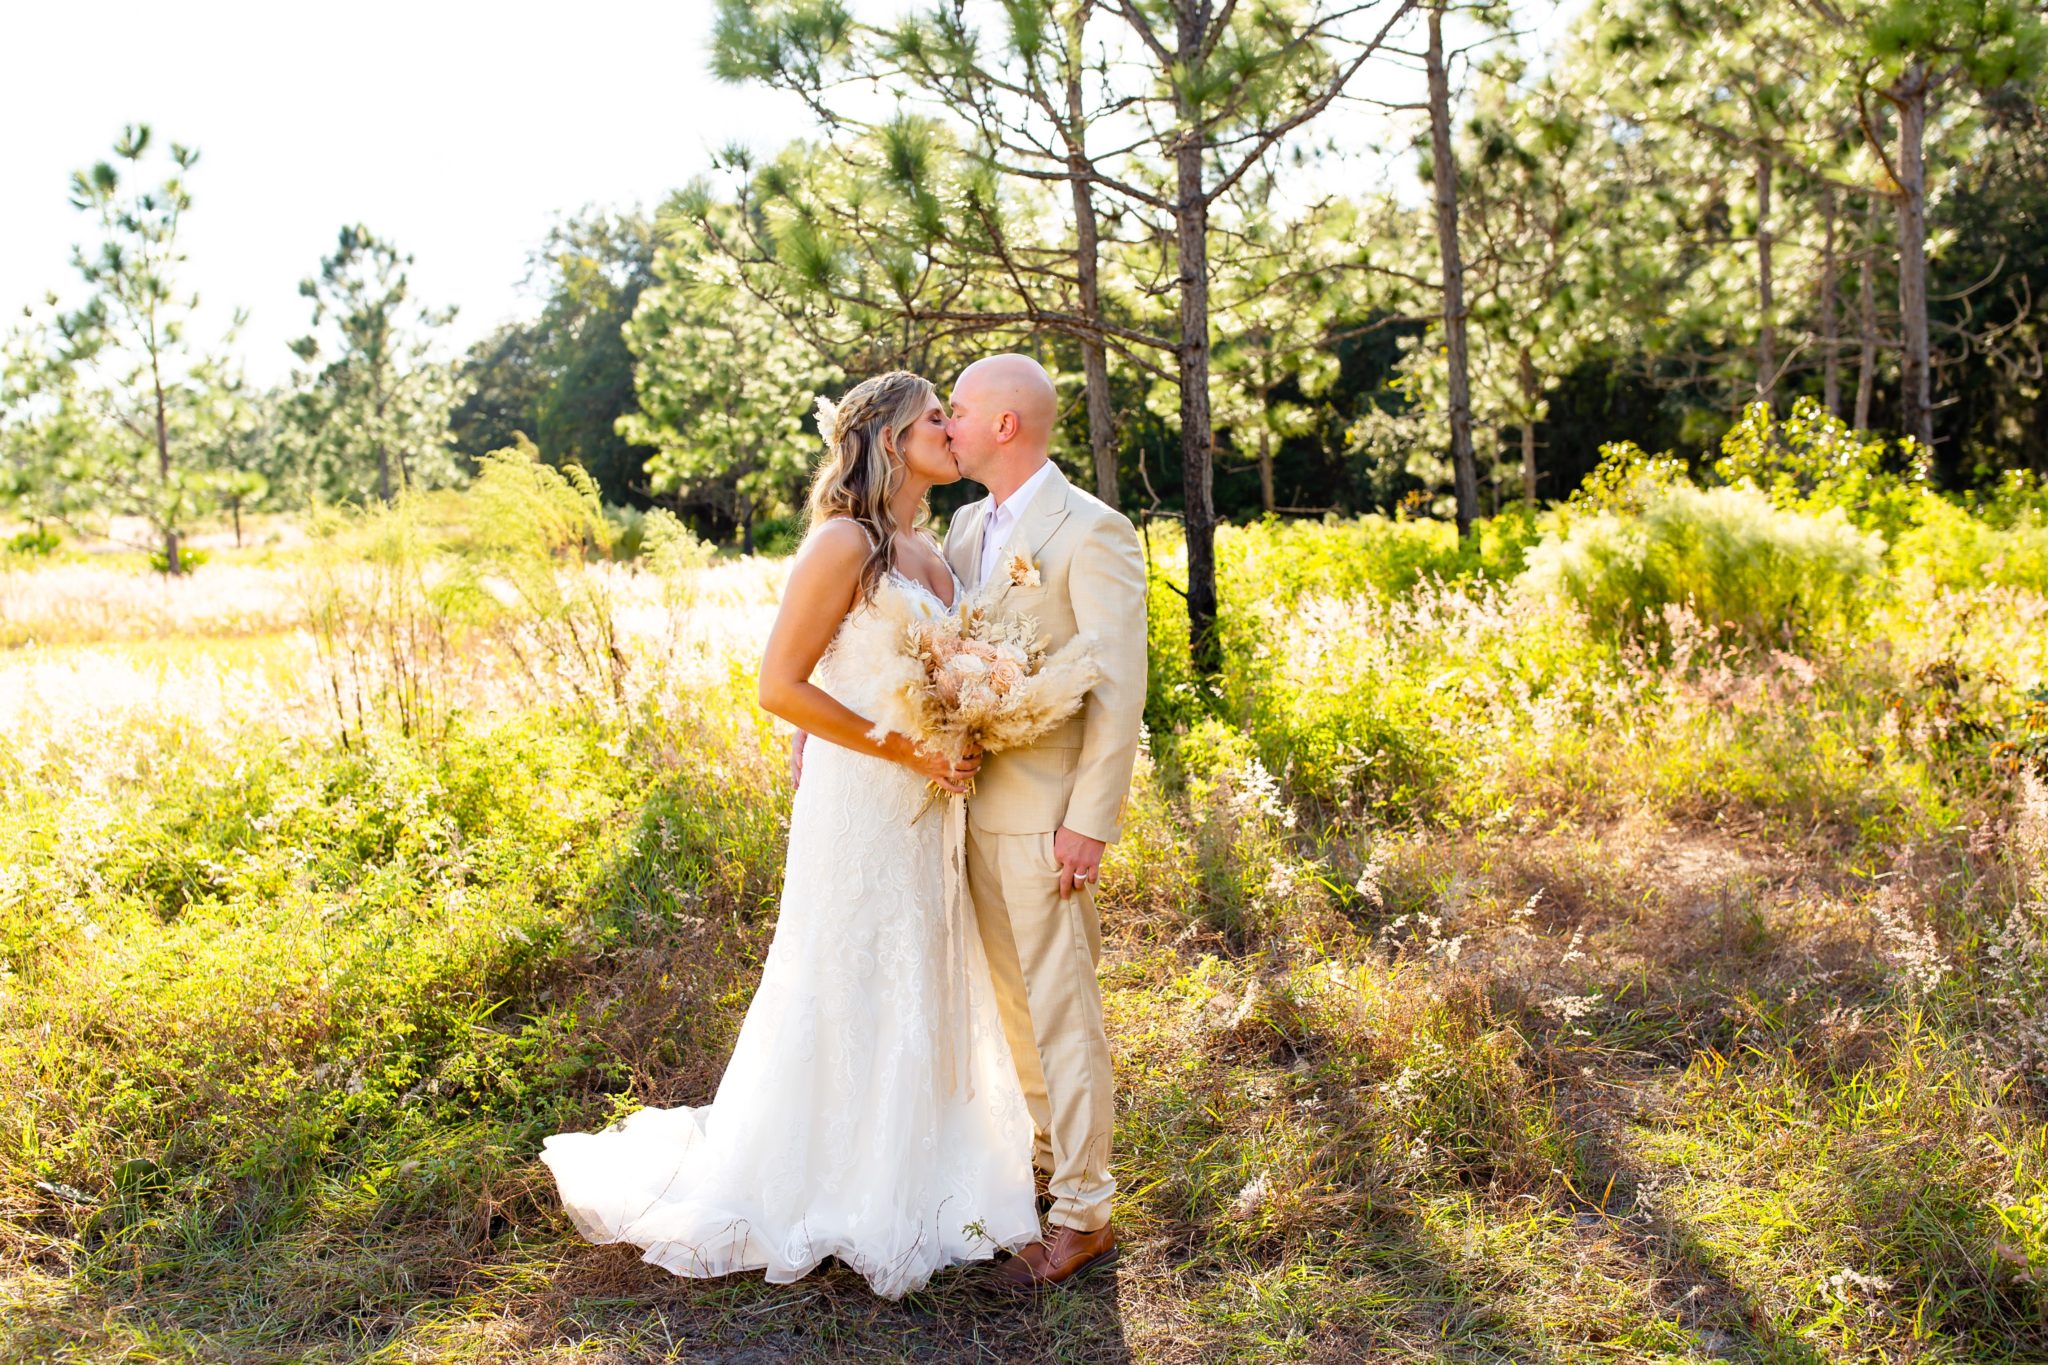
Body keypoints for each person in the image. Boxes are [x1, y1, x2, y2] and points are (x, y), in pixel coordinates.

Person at [538, 370, 1040, 1301]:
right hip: (866, 795)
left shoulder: (930, 550)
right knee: (845, 965)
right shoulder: (843, 542)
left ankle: (925, 1172)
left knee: (924, 965)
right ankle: (829, 1180)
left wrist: (968, 725)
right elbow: (781, 685)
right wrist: (908, 750)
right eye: (935, 416)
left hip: (932, 803)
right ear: (890, 438)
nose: (951, 428)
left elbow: (925, 667)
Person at [939, 353, 1149, 1291]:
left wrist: (1089, 821)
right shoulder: (961, 526)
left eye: (958, 410)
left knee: (1064, 1010)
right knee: (1013, 1007)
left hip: (1048, 817)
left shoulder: (1092, 532)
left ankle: (1085, 1212)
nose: (946, 424)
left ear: (1006, 426)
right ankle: (1051, 1169)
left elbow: (1117, 686)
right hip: (972, 808)